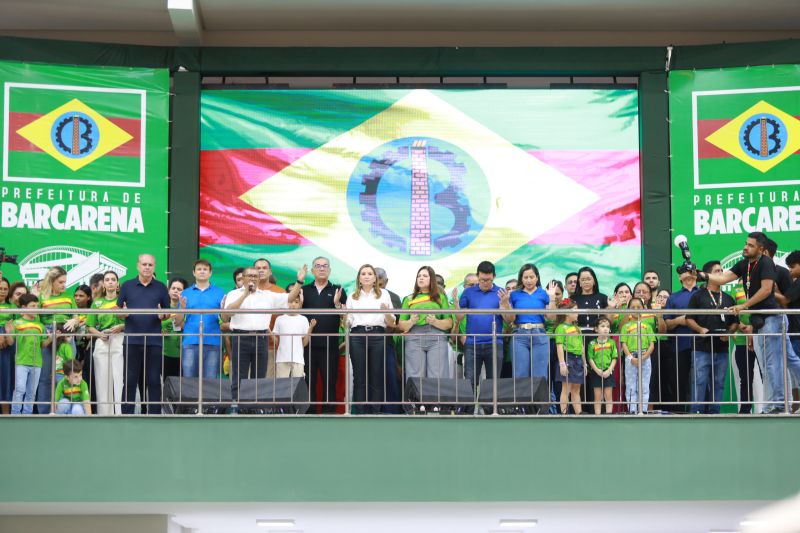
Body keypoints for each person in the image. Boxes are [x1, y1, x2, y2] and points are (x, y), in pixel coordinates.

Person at [701, 232, 800, 414]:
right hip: (761, 321)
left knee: (772, 363)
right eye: (746, 244)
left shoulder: (766, 263)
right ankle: (774, 404)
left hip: (772, 318)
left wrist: (744, 306)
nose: (746, 247)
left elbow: (766, 290)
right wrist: (701, 275)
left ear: (761, 249)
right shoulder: (745, 264)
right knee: (789, 360)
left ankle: (777, 404)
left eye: (751, 245)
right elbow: (723, 278)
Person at [224, 263, 304, 404]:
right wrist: (244, 294)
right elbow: (229, 313)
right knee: (239, 374)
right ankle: (237, 405)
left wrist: (299, 281)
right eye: (250, 276)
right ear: (243, 278)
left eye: (255, 276)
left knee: (259, 375)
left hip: (261, 338)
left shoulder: (267, 295)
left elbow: (289, 298)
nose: (253, 278)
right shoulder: (233, 294)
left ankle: (255, 406)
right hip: (240, 337)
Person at [117, 253, 171, 415]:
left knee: (154, 380)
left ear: (154, 267)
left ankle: (154, 414)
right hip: (132, 341)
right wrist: (122, 314)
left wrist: (163, 315)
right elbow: (119, 311)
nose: (147, 267)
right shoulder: (127, 286)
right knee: (129, 380)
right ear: (137, 266)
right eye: (144, 264)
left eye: (150, 265)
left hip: (154, 341)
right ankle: (126, 414)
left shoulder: (161, 287)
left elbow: (167, 312)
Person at [686, 260, 738, 414]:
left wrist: (729, 334)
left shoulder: (728, 298)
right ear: (708, 276)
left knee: (719, 382)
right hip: (701, 347)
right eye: (717, 271)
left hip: (721, 348)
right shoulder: (697, 296)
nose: (721, 273)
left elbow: (735, 322)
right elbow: (689, 318)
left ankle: (715, 412)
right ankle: (696, 412)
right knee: (699, 382)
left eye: (722, 270)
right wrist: (700, 329)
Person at [345, 264, 395, 414]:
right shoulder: (352, 296)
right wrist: (343, 315)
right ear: (359, 278)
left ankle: (375, 411)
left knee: (377, 374)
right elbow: (348, 322)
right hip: (357, 336)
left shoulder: (384, 294)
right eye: (363, 274)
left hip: (378, 335)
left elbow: (392, 322)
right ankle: (359, 411)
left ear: (375, 278)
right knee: (359, 376)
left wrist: (386, 313)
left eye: (370, 273)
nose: (366, 276)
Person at [301, 256, 346, 414]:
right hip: (308, 344)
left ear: (330, 270)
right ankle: (309, 411)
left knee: (330, 381)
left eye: (325, 266)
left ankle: (329, 412)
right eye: (318, 266)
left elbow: (345, 318)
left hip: (330, 345)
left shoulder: (338, 290)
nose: (321, 268)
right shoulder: (304, 290)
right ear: (312, 270)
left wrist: (337, 305)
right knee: (308, 380)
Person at [36, 267, 80, 414]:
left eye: (65, 282)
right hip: (48, 336)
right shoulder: (42, 296)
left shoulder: (68, 296)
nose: (64, 285)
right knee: (45, 377)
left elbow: (76, 316)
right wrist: (46, 331)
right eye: (60, 282)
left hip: (66, 336)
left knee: (69, 373)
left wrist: (74, 321)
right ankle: (44, 412)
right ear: (52, 281)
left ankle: (66, 410)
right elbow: (37, 318)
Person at [174, 259, 226, 379]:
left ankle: (208, 399)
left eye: (205, 269)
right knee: (189, 379)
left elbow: (225, 318)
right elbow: (177, 321)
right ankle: (190, 399)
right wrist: (181, 307)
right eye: (199, 269)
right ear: (194, 272)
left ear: (210, 273)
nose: (202, 272)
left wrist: (224, 310)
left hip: (212, 341)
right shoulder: (185, 293)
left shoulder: (219, 292)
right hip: (190, 341)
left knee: (210, 380)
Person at [398, 266, 453, 379]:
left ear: (431, 279)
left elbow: (449, 323)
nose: (421, 278)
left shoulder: (440, 297)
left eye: (425, 276)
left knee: (437, 377)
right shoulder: (408, 299)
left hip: (436, 338)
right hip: (414, 338)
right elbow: (401, 325)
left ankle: (436, 398)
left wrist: (435, 321)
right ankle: (416, 398)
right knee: (415, 376)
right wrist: (411, 321)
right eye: (419, 276)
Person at [458, 261, 506, 391]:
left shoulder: (501, 293)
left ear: (494, 277)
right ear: (477, 276)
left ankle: (491, 410)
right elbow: (459, 317)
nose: (485, 283)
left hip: (495, 343)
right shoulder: (468, 292)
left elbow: (510, 319)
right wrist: (457, 305)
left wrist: (506, 304)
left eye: (488, 280)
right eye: (482, 280)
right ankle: (468, 411)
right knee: (469, 381)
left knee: (493, 382)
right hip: (472, 343)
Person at [500, 263, 550, 380]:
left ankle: (539, 399)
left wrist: (552, 298)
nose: (529, 280)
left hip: (539, 334)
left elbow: (551, 317)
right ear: (521, 279)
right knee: (520, 373)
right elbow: (510, 319)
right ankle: (521, 399)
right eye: (525, 277)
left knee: (540, 375)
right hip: (520, 334)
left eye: (531, 277)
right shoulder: (514, 294)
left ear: (537, 278)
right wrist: (506, 304)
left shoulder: (544, 293)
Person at [86, 271, 126, 415]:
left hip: (119, 339)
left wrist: (121, 326)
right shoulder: (97, 303)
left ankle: (119, 414)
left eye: (113, 279)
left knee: (119, 379)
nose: (110, 282)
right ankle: (104, 415)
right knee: (102, 381)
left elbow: (131, 322)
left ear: (117, 283)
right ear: (103, 284)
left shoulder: (123, 301)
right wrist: (100, 334)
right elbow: (89, 326)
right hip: (102, 340)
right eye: (107, 279)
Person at [664, 265, 699, 412]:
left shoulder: (704, 293)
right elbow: (667, 324)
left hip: (702, 344)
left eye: (691, 271)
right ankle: (679, 413)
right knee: (680, 381)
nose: (688, 273)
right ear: (679, 277)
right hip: (680, 346)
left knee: (701, 380)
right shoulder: (673, 298)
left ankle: (701, 411)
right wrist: (679, 320)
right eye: (684, 271)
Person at [10, 294, 50, 415]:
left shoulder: (40, 325)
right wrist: (8, 332)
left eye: (37, 306)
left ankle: (27, 415)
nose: (36, 308)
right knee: (20, 389)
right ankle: (15, 414)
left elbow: (43, 344)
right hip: (21, 362)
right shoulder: (17, 323)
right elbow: (11, 342)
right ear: (23, 307)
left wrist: (52, 338)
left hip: (36, 363)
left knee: (31, 392)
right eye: (32, 306)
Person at [620, 297, 655, 414]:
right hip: (631, 358)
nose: (636, 309)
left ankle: (643, 409)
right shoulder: (626, 326)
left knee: (644, 384)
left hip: (645, 355)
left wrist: (645, 357)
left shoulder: (647, 326)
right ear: (628, 310)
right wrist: (631, 358)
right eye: (633, 307)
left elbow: (652, 344)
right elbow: (623, 343)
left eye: (638, 307)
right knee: (631, 384)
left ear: (644, 308)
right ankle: (632, 409)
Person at [273, 294, 315, 378]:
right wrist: (269, 331)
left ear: (300, 304)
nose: (293, 304)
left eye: (296, 302)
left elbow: (305, 343)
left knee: (297, 387)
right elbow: (277, 342)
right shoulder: (279, 319)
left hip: (298, 359)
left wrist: (310, 328)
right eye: (290, 302)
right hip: (282, 358)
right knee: (281, 386)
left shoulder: (303, 319)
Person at [554, 299, 585, 415]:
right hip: (568, 358)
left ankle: (579, 412)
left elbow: (581, 346)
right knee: (566, 388)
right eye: (575, 311)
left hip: (578, 359)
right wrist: (562, 363)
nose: (578, 313)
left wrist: (584, 362)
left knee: (576, 388)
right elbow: (560, 346)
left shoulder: (577, 328)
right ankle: (564, 412)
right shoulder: (561, 328)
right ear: (567, 313)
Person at [587, 316, 618, 414]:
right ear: (596, 329)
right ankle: (598, 415)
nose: (606, 329)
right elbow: (590, 358)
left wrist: (609, 370)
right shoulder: (592, 343)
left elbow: (614, 358)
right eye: (603, 326)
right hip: (596, 372)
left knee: (608, 396)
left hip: (608, 372)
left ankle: (609, 415)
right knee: (598, 396)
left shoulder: (612, 343)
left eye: (608, 327)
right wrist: (597, 370)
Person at [161, 278, 188, 379]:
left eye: (179, 289)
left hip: (185, 353)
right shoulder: (162, 308)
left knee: (182, 386)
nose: (175, 291)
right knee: (168, 384)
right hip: (165, 353)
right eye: (173, 288)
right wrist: (161, 331)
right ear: (168, 291)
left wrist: (182, 325)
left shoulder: (188, 308)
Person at [0, 279, 14, 415]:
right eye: (0, 288)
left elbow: (14, 324)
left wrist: (5, 335)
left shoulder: (12, 307)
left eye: (5, 289)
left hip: (7, 348)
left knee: (5, 378)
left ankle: (6, 415)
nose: (2, 291)